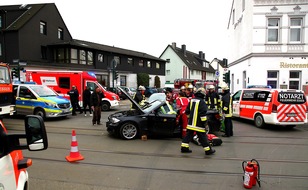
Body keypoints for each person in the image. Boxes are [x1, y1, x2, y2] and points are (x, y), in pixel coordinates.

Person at [180, 88, 215, 155]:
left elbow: (187, 112)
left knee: (188, 136)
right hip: (199, 124)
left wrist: (190, 119)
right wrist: (205, 123)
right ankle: (208, 150)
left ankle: (184, 148)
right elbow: (202, 115)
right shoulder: (202, 102)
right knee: (203, 137)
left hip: (190, 124)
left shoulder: (192, 100)